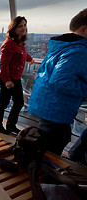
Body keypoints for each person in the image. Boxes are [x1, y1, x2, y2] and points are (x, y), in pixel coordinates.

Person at [28, 8, 87, 155]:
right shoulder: (78, 50)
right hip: (56, 107)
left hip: (46, 103)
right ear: (84, 29)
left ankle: (39, 169)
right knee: (54, 143)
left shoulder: (60, 45)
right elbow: (60, 81)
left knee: (53, 139)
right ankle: (43, 174)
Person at [0, 16, 34, 134]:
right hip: (8, 79)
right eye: (20, 26)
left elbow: (23, 54)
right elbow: (4, 63)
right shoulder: (9, 44)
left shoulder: (19, 43)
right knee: (4, 103)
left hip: (15, 78)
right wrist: (6, 80)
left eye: (25, 25)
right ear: (13, 28)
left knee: (19, 102)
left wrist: (30, 59)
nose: (23, 28)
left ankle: (11, 125)